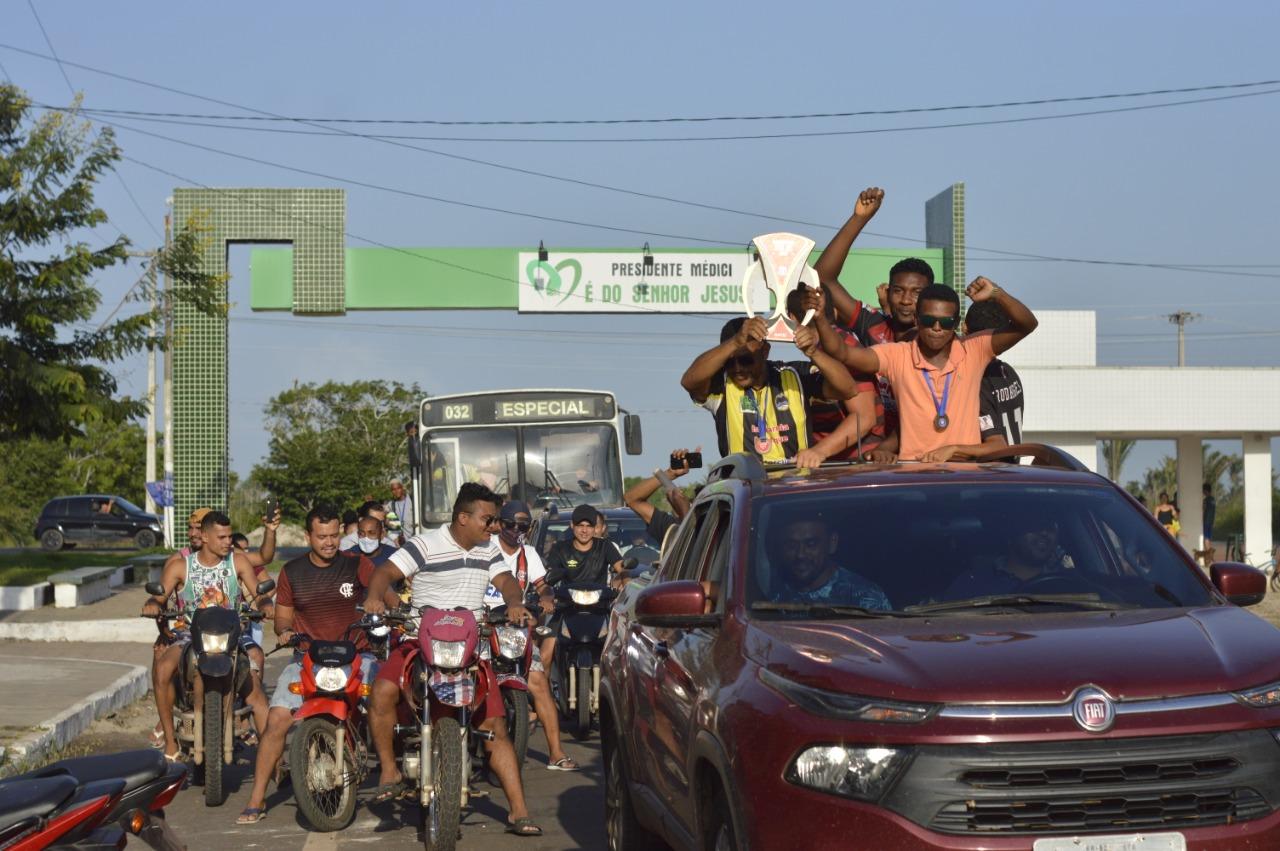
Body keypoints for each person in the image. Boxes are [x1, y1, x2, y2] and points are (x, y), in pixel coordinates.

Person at [362, 483, 541, 837]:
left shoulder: (488, 548)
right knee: (381, 691)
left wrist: (516, 602)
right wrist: (374, 599)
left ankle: (519, 811)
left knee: (495, 727)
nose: (492, 527)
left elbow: (506, 582)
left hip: (469, 647)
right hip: (418, 640)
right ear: (463, 517)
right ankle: (389, 771)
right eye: (487, 519)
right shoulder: (425, 544)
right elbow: (384, 573)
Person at [236, 505, 396, 824]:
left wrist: (394, 607)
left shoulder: (356, 564)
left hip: (357, 657)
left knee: (389, 700)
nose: (329, 542)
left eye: (334, 535)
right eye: (322, 536)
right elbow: (282, 617)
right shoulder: (292, 572)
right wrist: (284, 632)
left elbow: (385, 591)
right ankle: (256, 798)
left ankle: (393, 772)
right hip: (308, 659)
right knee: (278, 719)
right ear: (308, 536)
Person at [821, 278, 1038, 461]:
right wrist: (820, 319)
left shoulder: (974, 349)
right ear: (916, 319)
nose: (936, 328)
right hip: (915, 477)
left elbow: (1027, 324)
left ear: (956, 323)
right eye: (928, 320)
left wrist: (996, 293)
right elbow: (843, 353)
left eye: (945, 322)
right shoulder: (897, 355)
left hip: (965, 478)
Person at [142, 511, 272, 761]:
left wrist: (265, 604)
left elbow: (258, 591)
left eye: (229, 536)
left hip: (233, 636)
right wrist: (152, 604)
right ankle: (170, 742)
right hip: (189, 635)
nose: (227, 542)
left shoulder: (239, 561)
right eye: (221, 537)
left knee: (255, 676)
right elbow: (159, 596)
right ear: (204, 536)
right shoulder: (181, 565)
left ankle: (273, 759)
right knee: (162, 669)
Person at [680, 314, 856, 462]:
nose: (738, 368)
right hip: (745, 487)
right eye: (729, 361)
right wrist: (735, 342)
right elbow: (689, 381)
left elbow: (848, 389)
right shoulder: (722, 383)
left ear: (765, 351)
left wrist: (814, 352)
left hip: (794, 482)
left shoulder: (795, 375)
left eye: (746, 360)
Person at [483, 500, 579, 772]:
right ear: (499, 524)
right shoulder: (485, 549)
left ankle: (556, 753)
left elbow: (542, 585)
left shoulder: (529, 554)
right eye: (510, 524)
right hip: (483, 628)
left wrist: (547, 598)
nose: (515, 530)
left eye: (522, 525)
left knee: (538, 682)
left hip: (513, 629)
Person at [914, 299, 1027, 462]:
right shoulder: (1009, 372)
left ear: (964, 327)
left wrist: (953, 449)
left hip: (991, 477)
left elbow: (996, 444)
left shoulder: (976, 381)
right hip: (1013, 475)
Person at [787, 286, 883, 466]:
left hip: (858, 463)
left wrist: (818, 451)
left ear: (791, 318)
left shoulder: (841, 345)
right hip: (838, 462)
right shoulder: (826, 346)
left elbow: (864, 418)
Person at [767, 514, 891, 609]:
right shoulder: (769, 592)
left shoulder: (864, 596)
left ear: (832, 543)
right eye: (791, 546)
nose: (800, 554)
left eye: (811, 544)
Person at [944, 514, 1070, 598]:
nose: (1044, 533)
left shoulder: (1070, 584)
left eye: (1050, 528)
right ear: (1011, 537)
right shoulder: (973, 583)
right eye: (1033, 526)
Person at [623, 449, 698, 545]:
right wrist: (669, 474)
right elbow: (631, 499)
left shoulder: (716, 530)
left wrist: (685, 512)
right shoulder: (672, 528)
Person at [544, 505, 625, 589]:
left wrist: (627, 588)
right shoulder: (559, 548)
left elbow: (623, 570)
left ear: (594, 528)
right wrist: (547, 597)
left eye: (589, 526)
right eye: (580, 525)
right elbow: (548, 578)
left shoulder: (605, 545)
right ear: (572, 525)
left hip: (601, 600)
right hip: (566, 600)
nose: (584, 530)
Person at [385, 478, 415, 543]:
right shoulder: (391, 505)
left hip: (415, 537)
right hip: (402, 541)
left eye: (398, 488)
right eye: (393, 489)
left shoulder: (412, 500)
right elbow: (393, 525)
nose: (396, 491)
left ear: (402, 488)